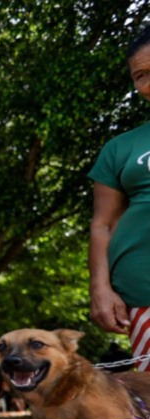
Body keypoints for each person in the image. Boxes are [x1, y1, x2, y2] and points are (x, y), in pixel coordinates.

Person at [88, 26, 150, 372]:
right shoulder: (120, 147)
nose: (149, 83)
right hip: (143, 297)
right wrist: (100, 287)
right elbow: (103, 223)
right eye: (141, 75)